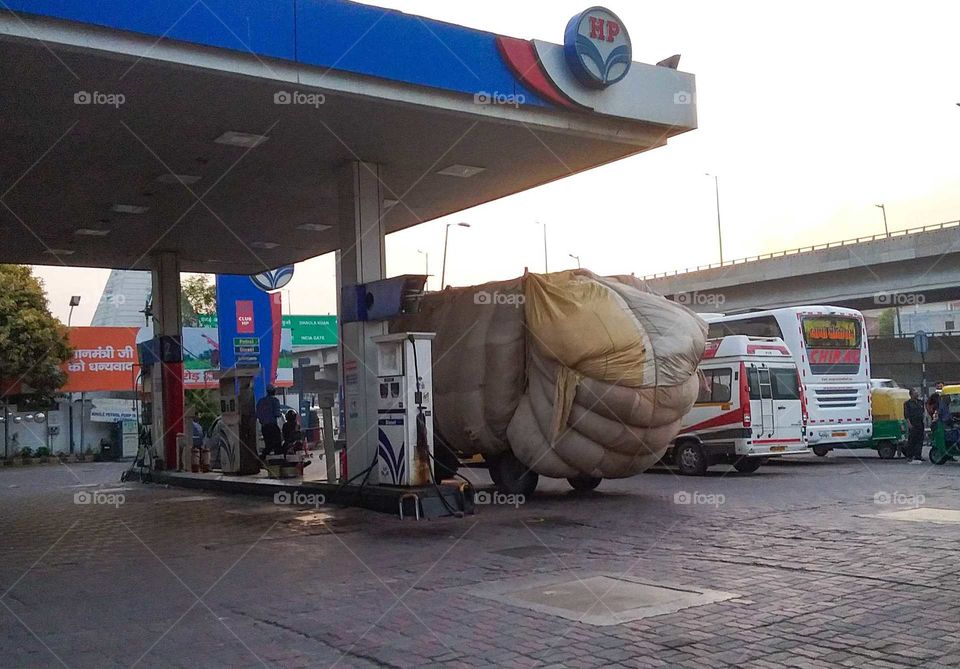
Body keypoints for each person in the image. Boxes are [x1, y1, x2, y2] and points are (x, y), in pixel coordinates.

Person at [256, 385, 283, 457]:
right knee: (277, 445)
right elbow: (277, 414)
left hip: (264, 428)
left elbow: (258, 415)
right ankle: (278, 461)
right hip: (272, 426)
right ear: (273, 391)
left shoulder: (260, 401)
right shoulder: (275, 401)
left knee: (268, 444)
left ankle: (264, 458)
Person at [903, 389, 925, 463]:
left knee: (920, 440)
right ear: (911, 395)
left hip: (920, 423)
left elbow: (923, 412)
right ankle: (909, 456)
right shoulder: (907, 404)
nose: (917, 394)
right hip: (913, 424)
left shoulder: (920, 402)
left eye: (917, 393)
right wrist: (909, 424)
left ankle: (918, 455)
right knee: (912, 440)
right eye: (915, 393)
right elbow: (906, 415)